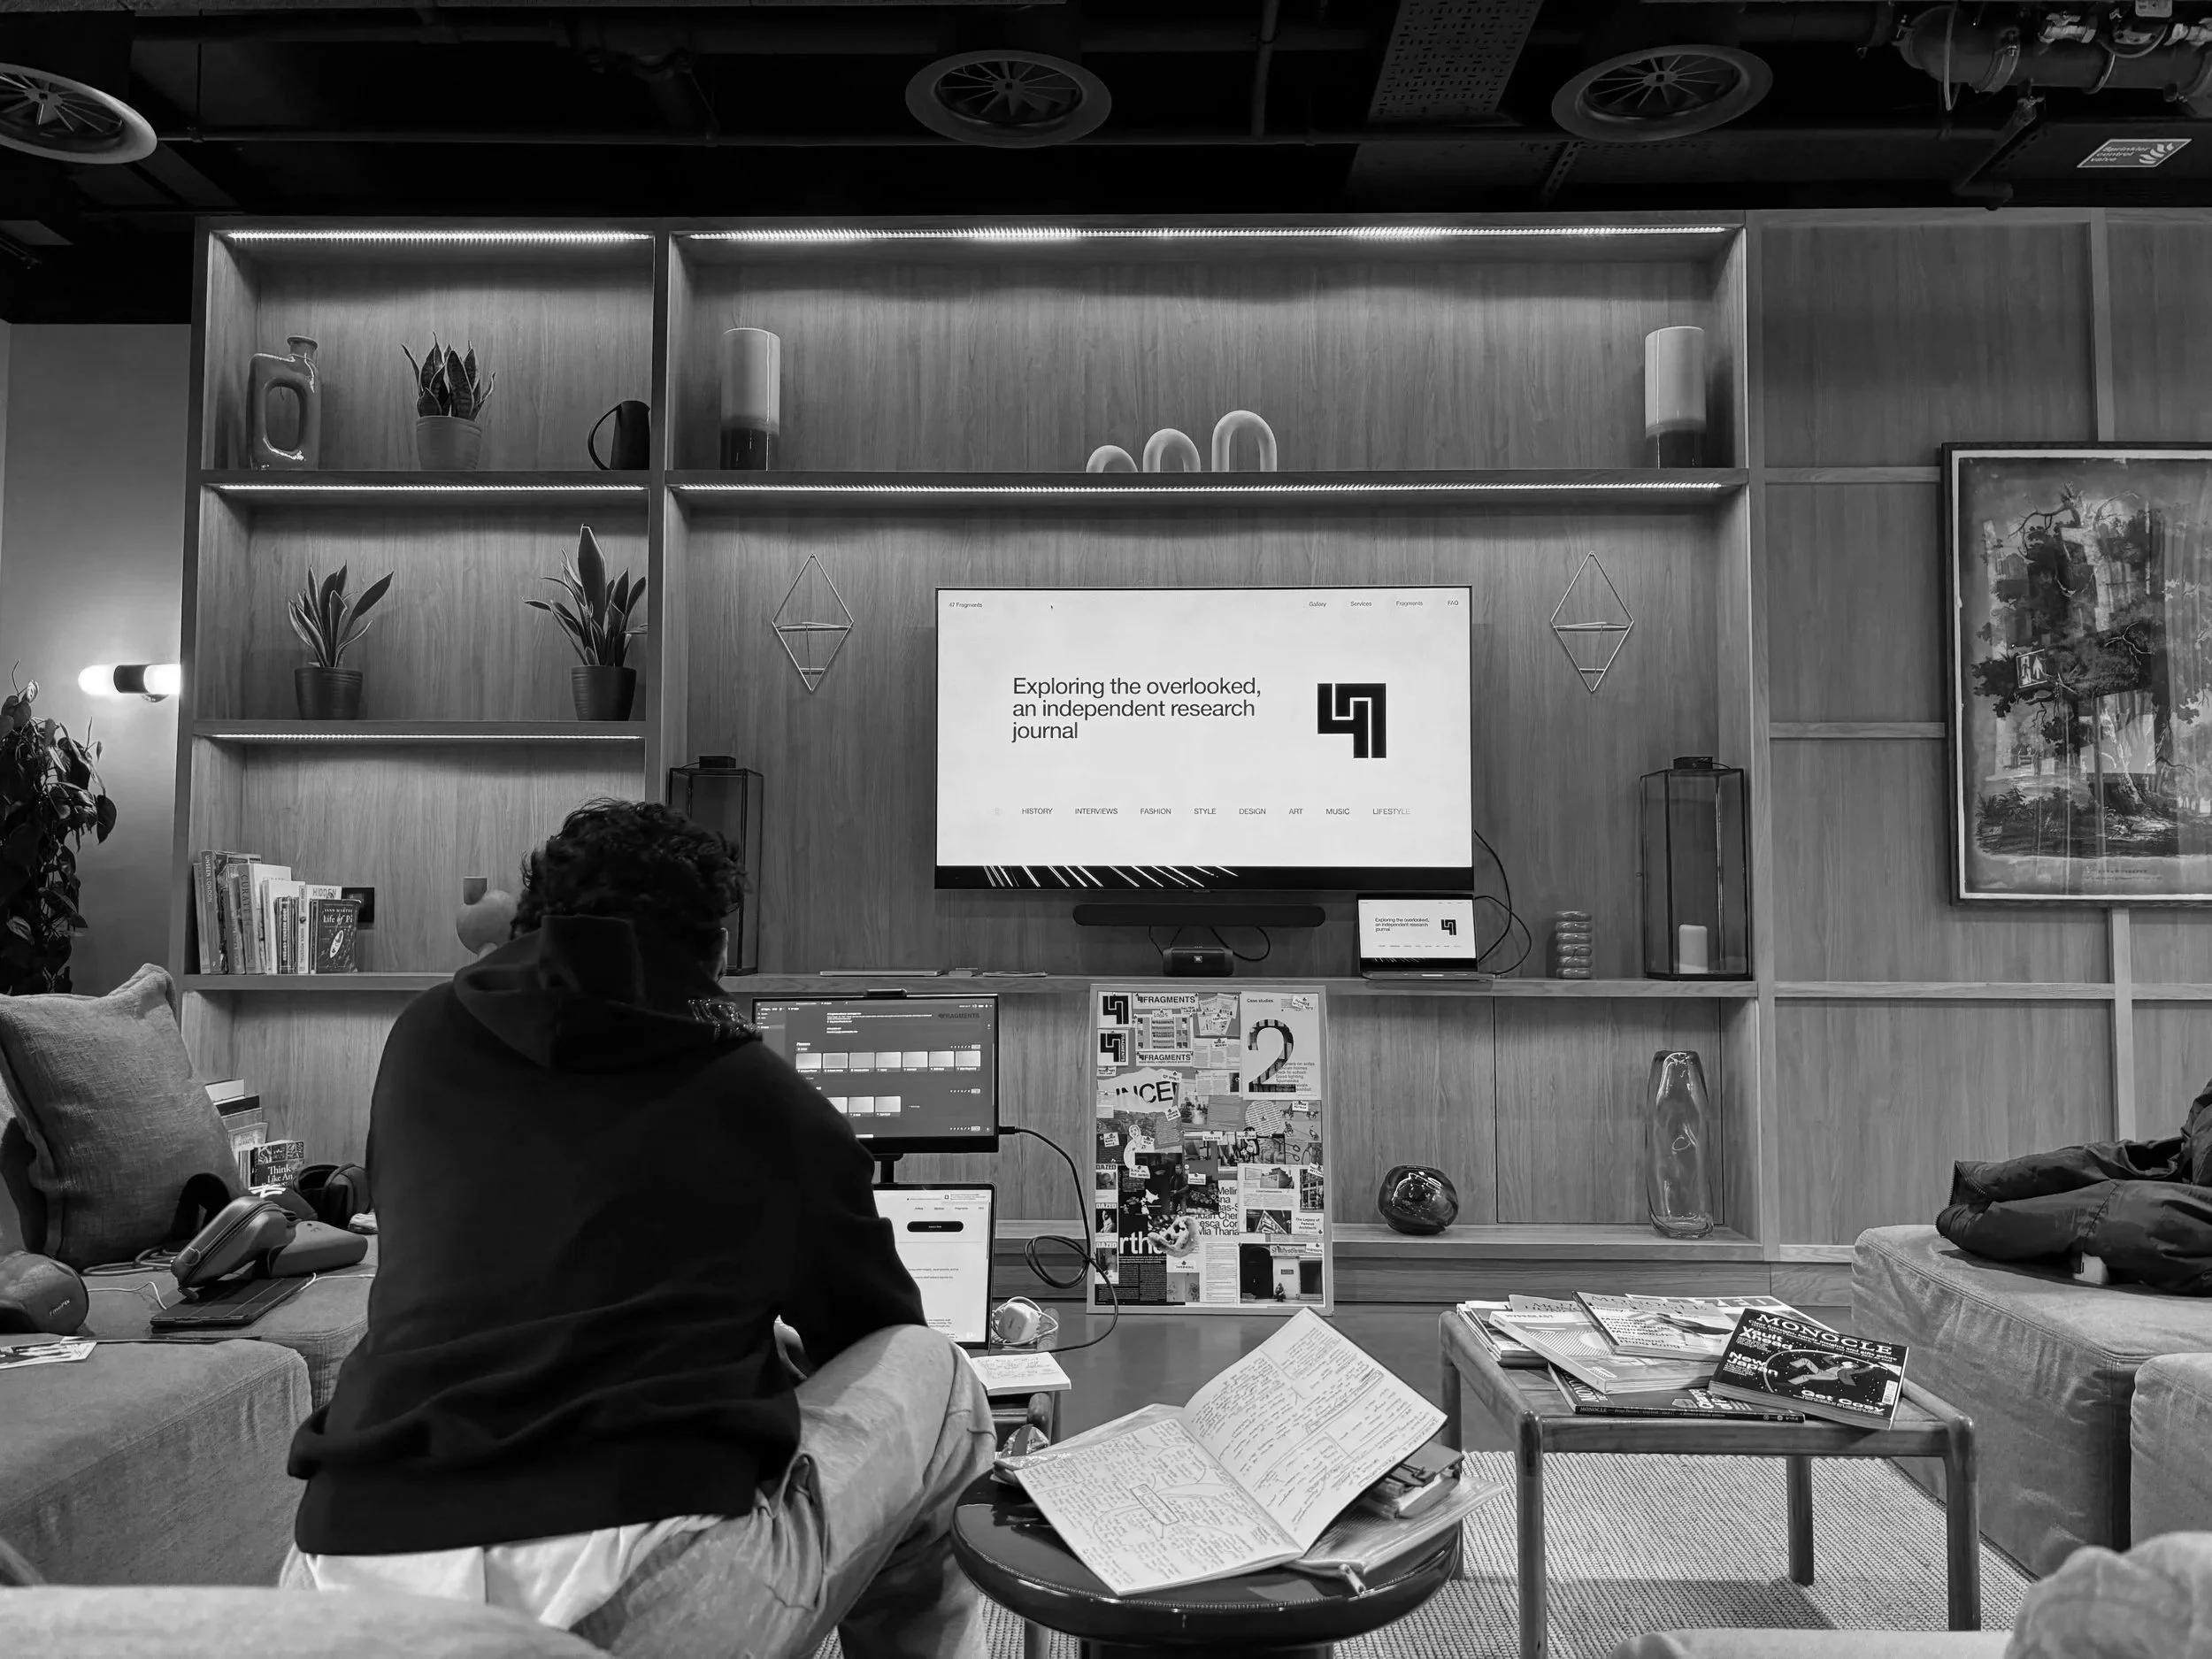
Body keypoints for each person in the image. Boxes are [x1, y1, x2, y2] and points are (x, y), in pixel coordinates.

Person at [282, 799, 997, 1657]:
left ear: (528, 919)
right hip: (640, 1596)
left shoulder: (419, 1038)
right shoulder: (768, 1101)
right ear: (717, 952)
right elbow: (870, 1336)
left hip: (350, 1587)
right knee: (935, 1375)